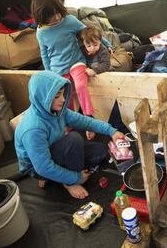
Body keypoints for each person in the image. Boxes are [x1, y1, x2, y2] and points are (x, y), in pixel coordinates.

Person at [14, 71, 125, 199]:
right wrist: (76, 178)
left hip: (56, 150)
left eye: (62, 94)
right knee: (74, 139)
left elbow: (85, 121)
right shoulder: (33, 129)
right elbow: (43, 167)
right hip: (37, 168)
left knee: (100, 151)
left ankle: (55, 176)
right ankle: (68, 183)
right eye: (56, 96)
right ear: (43, 98)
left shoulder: (57, 110)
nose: (62, 99)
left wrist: (112, 131)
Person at [31, 0, 113, 140]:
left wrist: (107, 44)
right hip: (57, 69)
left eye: (57, 13)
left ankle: (89, 121)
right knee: (64, 98)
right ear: (41, 17)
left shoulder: (69, 21)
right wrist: (49, 74)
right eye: (50, 16)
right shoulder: (41, 32)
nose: (56, 18)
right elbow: (44, 54)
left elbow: (89, 32)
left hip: (76, 63)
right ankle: (67, 126)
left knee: (81, 86)